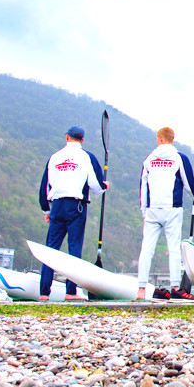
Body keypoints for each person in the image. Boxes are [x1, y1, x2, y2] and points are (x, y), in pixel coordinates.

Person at [38, 125, 109, 300]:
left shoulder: (54, 157)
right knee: (74, 247)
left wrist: (47, 209)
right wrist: (104, 187)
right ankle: (71, 292)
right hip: (76, 206)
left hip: (57, 205)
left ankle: (44, 293)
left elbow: (46, 185)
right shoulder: (87, 157)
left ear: (67, 137)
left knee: (51, 250)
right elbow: (96, 185)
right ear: (82, 140)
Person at [136, 127, 194, 302]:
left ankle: (141, 290)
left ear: (159, 139)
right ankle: (175, 288)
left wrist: (144, 211)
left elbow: (143, 188)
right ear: (172, 139)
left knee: (146, 249)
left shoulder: (148, 159)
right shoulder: (179, 157)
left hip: (151, 209)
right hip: (172, 208)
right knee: (173, 249)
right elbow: (188, 182)